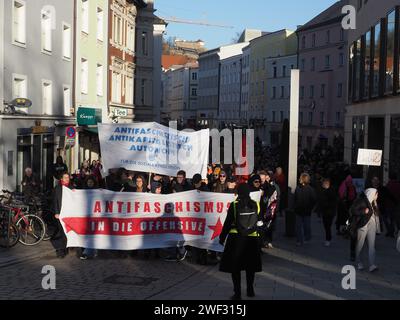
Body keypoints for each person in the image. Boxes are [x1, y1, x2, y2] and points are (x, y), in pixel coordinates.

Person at [219, 183, 262, 300]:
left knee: (235, 267)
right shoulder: (256, 204)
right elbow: (260, 222)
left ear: (238, 193)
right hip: (252, 238)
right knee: (250, 266)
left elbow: (227, 224)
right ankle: (250, 290)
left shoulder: (234, 205)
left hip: (236, 239)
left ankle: (237, 293)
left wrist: (222, 237)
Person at [350, 188, 380, 272]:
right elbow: (352, 210)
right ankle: (359, 262)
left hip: (372, 225)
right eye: (376, 194)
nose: (377, 196)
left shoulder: (374, 203)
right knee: (360, 244)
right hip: (362, 225)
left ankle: (372, 264)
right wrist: (364, 211)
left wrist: (378, 228)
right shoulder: (361, 201)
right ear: (372, 194)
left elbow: (376, 217)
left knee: (372, 245)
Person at [52, 172, 72, 258]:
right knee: (63, 232)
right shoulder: (58, 188)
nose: (67, 179)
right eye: (65, 177)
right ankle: (64, 250)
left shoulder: (72, 188)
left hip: (70, 213)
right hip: (61, 213)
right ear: (61, 179)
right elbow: (55, 201)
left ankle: (68, 247)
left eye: (68, 177)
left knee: (68, 232)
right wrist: (56, 212)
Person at [294, 173, 317, 246]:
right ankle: (300, 240)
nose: (299, 179)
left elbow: (313, 200)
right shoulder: (298, 188)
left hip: (306, 211)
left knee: (306, 226)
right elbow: (295, 198)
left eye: (300, 178)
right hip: (300, 210)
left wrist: (310, 208)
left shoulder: (310, 189)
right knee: (299, 226)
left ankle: (306, 238)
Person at [80, 176, 99, 260]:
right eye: (88, 182)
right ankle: (86, 252)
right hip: (85, 216)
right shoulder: (83, 192)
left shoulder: (97, 192)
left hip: (94, 216)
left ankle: (92, 252)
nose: (90, 183)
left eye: (91, 182)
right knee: (86, 234)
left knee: (93, 234)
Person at [316, 178, 338, 247]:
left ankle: (328, 239)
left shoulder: (327, 192)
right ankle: (328, 238)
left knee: (327, 226)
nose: (322, 185)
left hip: (328, 211)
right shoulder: (329, 191)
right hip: (329, 211)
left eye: (322, 184)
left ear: (326, 184)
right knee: (327, 226)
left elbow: (324, 202)